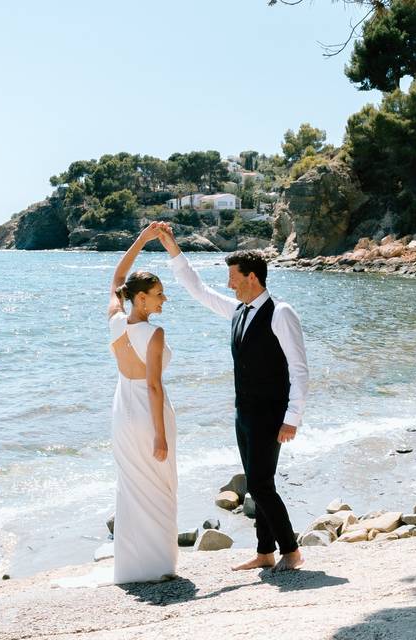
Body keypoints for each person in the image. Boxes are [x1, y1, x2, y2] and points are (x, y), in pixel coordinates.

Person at [158, 224, 308, 573]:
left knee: (259, 484)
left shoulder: (281, 313)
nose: (228, 284)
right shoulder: (238, 311)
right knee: (259, 481)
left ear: (252, 278)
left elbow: (299, 369)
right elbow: (199, 290)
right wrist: (172, 249)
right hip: (244, 413)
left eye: (234, 278)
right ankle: (265, 553)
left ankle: (292, 551)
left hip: (271, 413)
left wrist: (292, 417)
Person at [106, 221, 178, 583]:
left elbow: (118, 275)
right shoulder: (153, 332)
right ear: (141, 298)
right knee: (160, 485)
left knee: (132, 487)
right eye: (159, 294)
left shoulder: (116, 321)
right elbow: (153, 387)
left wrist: (141, 239)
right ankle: (159, 566)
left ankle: (132, 567)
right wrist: (160, 436)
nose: (164, 299)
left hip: (122, 411)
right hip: (149, 414)